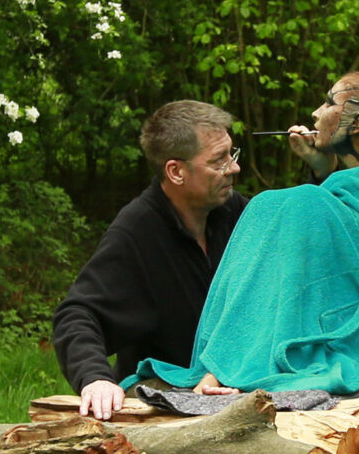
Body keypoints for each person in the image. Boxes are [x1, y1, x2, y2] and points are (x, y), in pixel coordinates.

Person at [121, 72, 359, 396]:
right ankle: (225, 362)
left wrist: (317, 187)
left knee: (278, 204)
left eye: (329, 102)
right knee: (289, 204)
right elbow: (348, 232)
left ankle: (224, 363)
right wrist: (322, 170)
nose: (316, 113)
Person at [53, 100, 248, 418]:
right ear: (176, 171)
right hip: (162, 389)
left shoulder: (234, 212)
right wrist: (96, 378)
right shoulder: (137, 231)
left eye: (232, 154)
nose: (234, 168)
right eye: (219, 161)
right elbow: (77, 314)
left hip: (230, 380)